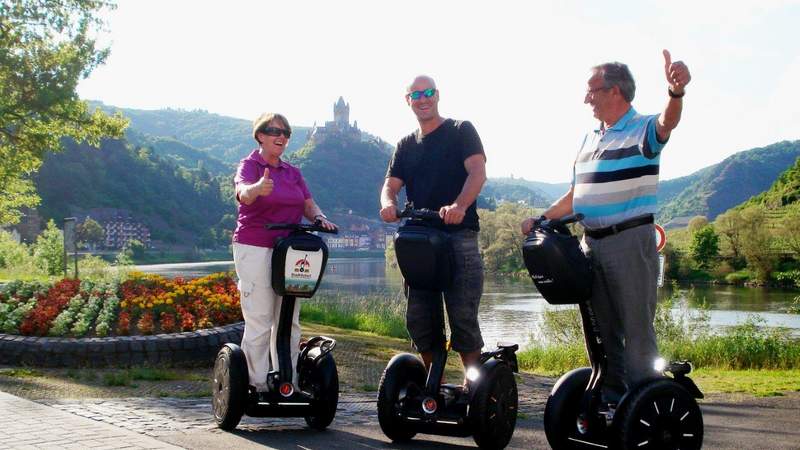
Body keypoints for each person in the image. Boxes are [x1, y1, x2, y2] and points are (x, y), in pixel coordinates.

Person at [521, 50, 691, 408]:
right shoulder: (590, 138)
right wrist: (541, 220)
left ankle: (648, 407)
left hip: (628, 241)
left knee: (636, 331)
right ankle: (614, 404)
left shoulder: (642, 127)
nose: (586, 98)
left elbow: (667, 123)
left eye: (592, 90)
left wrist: (675, 93)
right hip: (589, 244)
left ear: (615, 91)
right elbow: (576, 195)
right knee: (601, 332)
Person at [380, 75, 488, 381]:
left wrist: (460, 206)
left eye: (428, 92)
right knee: (420, 319)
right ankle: (433, 384)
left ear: (437, 95)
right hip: (420, 242)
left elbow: (477, 172)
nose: (423, 99)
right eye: (416, 94)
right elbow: (390, 184)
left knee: (463, 317)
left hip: (458, 235)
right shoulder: (405, 144)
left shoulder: (460, 130)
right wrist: (388, 203)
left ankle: (474, 385)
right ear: (408, 101)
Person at [233, 112, 336, 393]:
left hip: (289, 251)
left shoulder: (293, 172)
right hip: (255, 246)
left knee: (289, 321)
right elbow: (243, 193)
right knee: (261, 319)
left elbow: (308, 203)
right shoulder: (250, 165)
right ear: (260, 136)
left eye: (286, 133)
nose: (281, 136)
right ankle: (255, 384)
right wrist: (258, 188)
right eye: (274, 130)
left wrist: (319, 218)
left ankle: (286, 382)